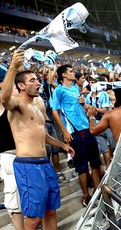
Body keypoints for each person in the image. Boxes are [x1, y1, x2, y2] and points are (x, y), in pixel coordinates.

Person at [1, 49, 75, 229]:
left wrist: (61, 145)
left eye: (37, 79)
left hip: (44, 162)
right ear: (21, 86)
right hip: (28, 165)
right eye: (32, 80)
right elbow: (5, 98)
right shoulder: (16, 104)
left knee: (51, 211)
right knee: (33, 219)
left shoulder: (39, 103)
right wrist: (12, 67)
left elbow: (41, 133)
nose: (38, 82)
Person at [51, 64, 102, 207]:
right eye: (71, 72)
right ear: (64, 75)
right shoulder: (59, 91)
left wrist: (84, 105)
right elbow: (55, 111)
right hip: (74, 132)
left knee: (96, 164)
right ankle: (86, 196)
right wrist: (64, 131)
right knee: (82, 167)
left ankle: (98, 192)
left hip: (87, 129)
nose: (74, 73)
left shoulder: (75, 88)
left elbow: (79, 105)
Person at [0, 81, 23, 229]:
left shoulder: (22, 107)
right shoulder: (3, 107)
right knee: (15, 200)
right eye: (15, 88)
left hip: (26, 156)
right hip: (10, 157)